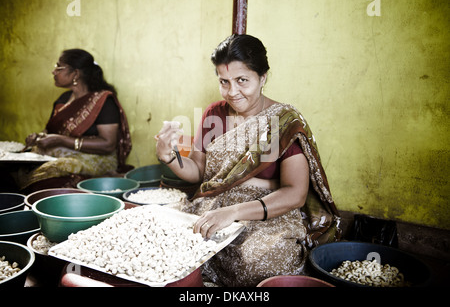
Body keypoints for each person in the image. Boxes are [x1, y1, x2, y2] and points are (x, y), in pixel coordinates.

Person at [155, 34, 341, 286]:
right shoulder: (214, 114)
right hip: (212, 209)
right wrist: (169, 157)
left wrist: (234, 213)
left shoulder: (284, 121)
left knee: (258, 264)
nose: (232, 92)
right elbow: (200, 171)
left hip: (266, 216)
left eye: (242, 80)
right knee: (168, 247)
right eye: (224, 82)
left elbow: (295, 193)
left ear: (262, 77)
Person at [17, 49, 132, 192]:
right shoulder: (63, 100)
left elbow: (108, 144)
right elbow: (50, 130)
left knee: (48, 178)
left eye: (59, 67)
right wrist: (39, 138)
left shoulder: (103, 101)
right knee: (17, 170)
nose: (53, 72)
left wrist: (61, 140)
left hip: (97, 158)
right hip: (57, 155)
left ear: (75, 74)